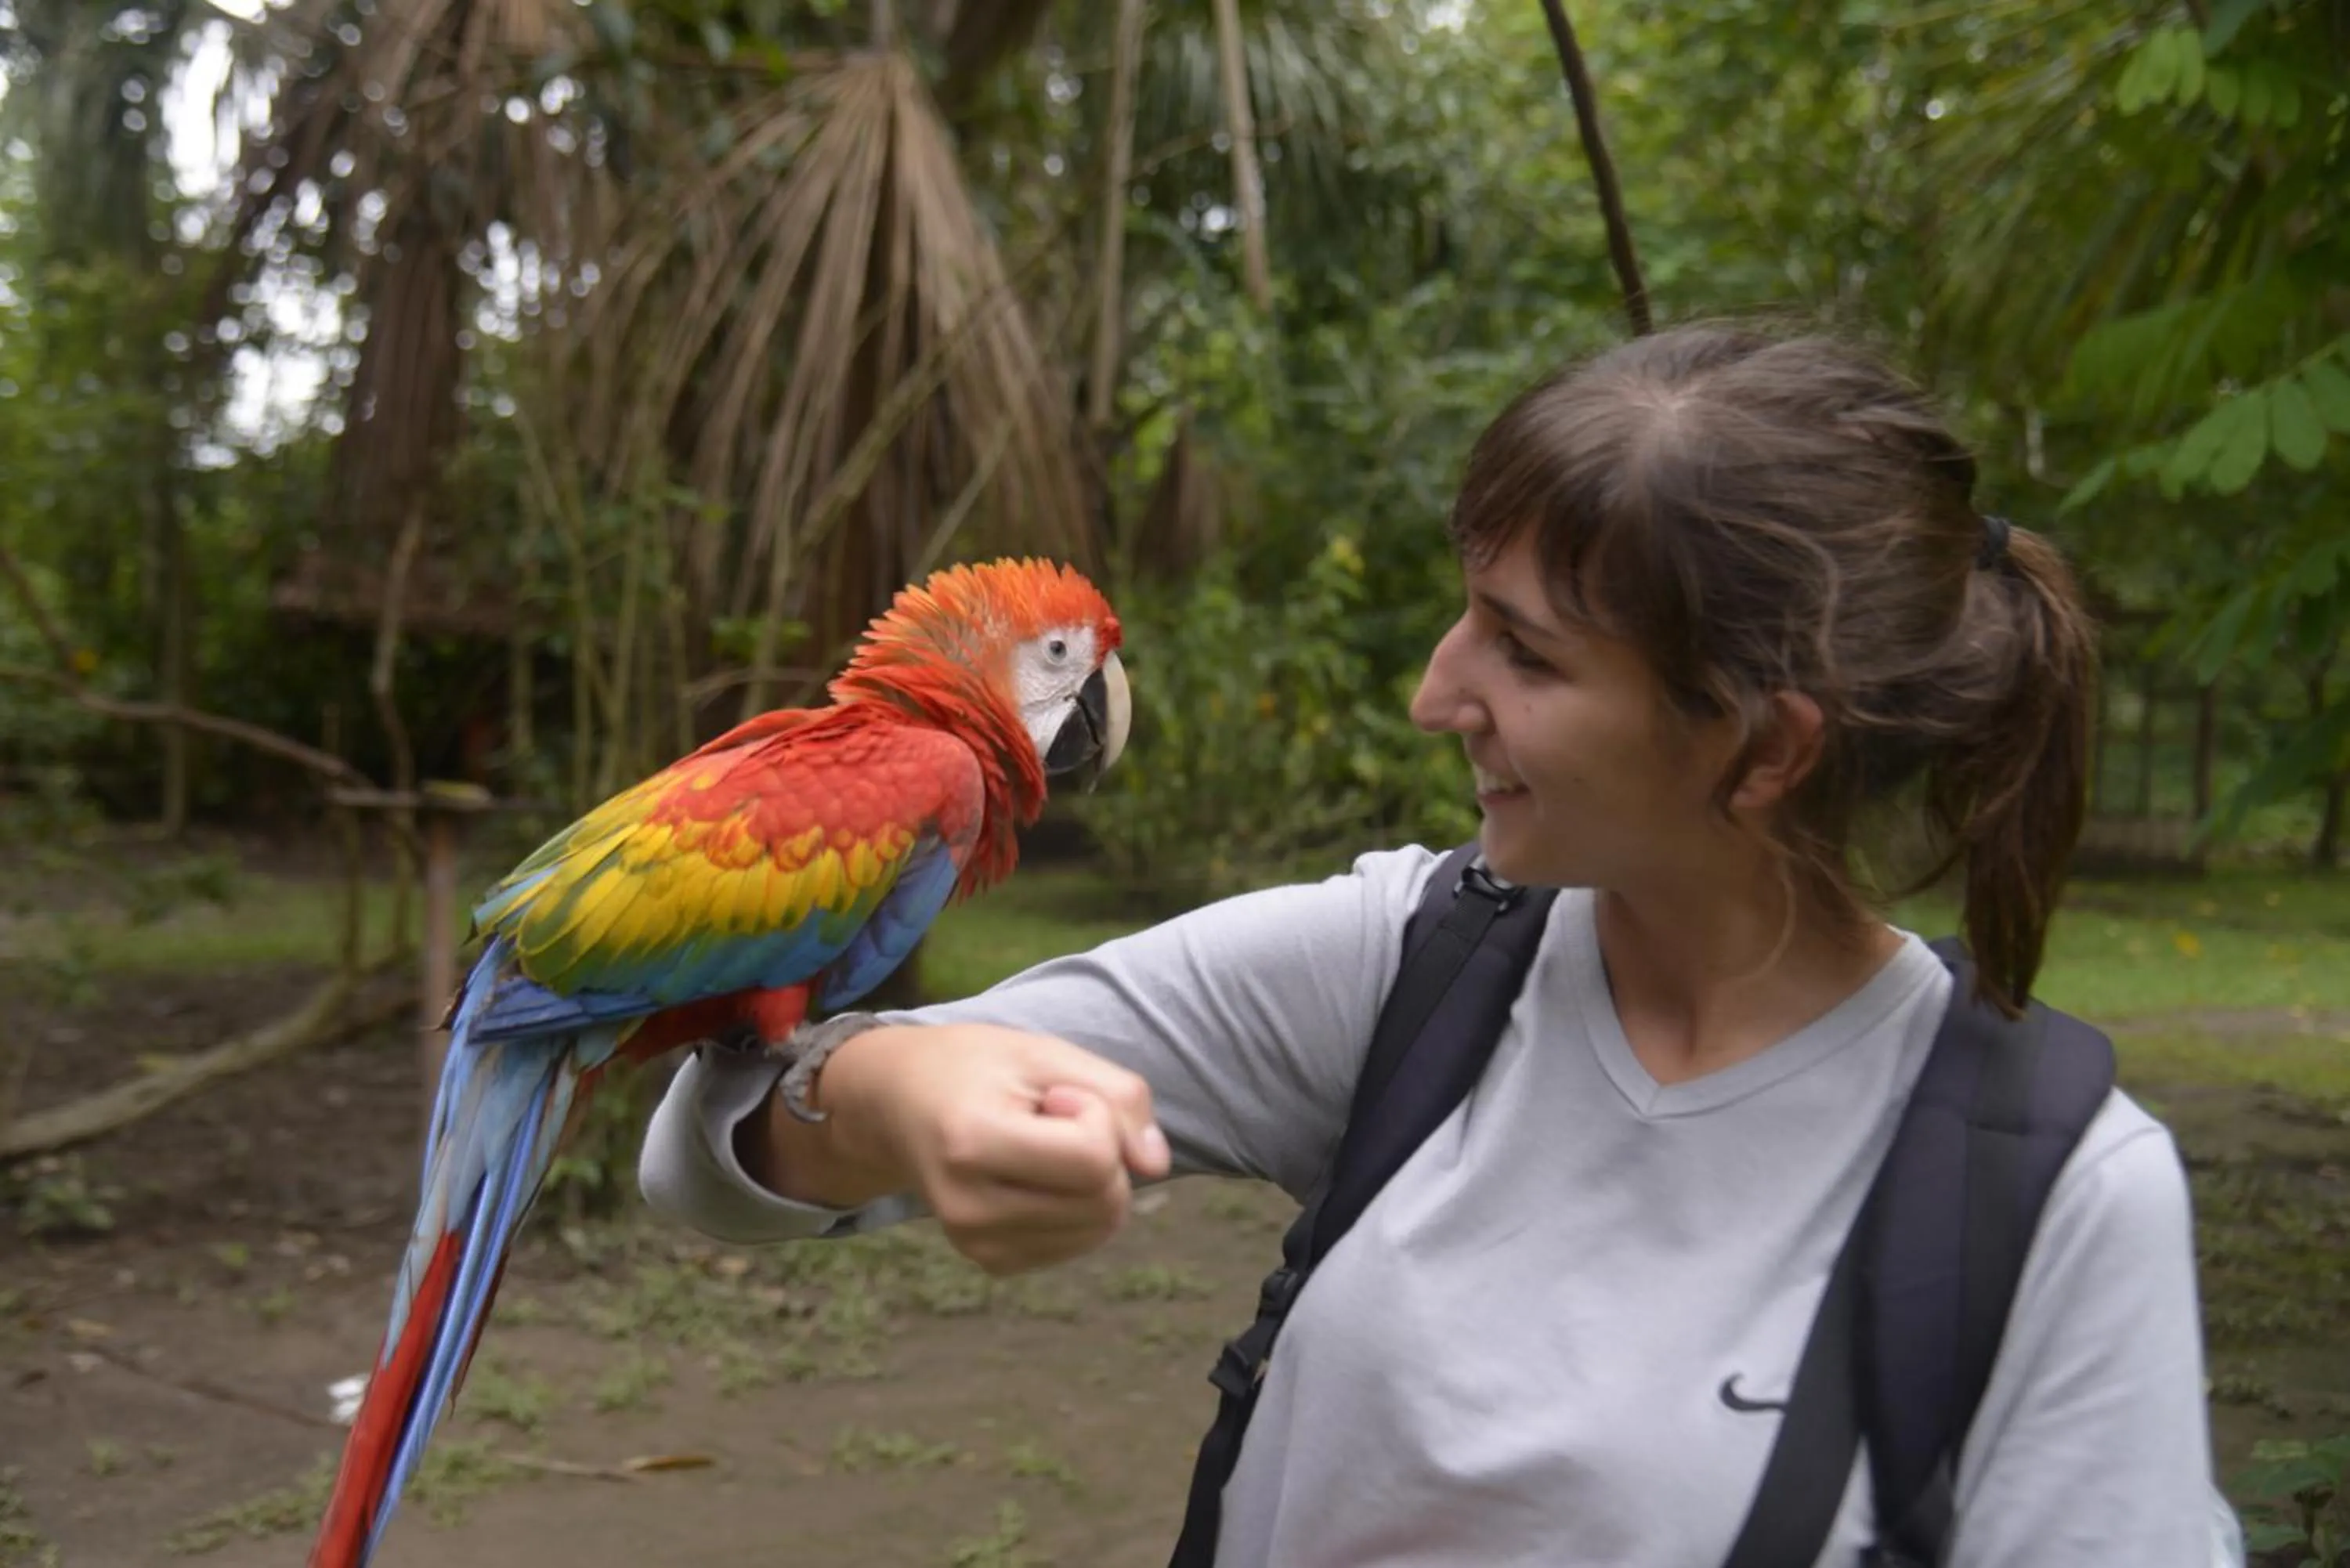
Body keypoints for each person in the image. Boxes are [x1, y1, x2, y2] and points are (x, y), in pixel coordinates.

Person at [638, 324, 2229, 1566]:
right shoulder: (1416, 959)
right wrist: (906, 1090)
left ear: (1765, 745)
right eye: (1466, 610)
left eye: (1524, 650)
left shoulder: (2056, 1189)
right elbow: (711, 1145)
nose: (1435, 689)